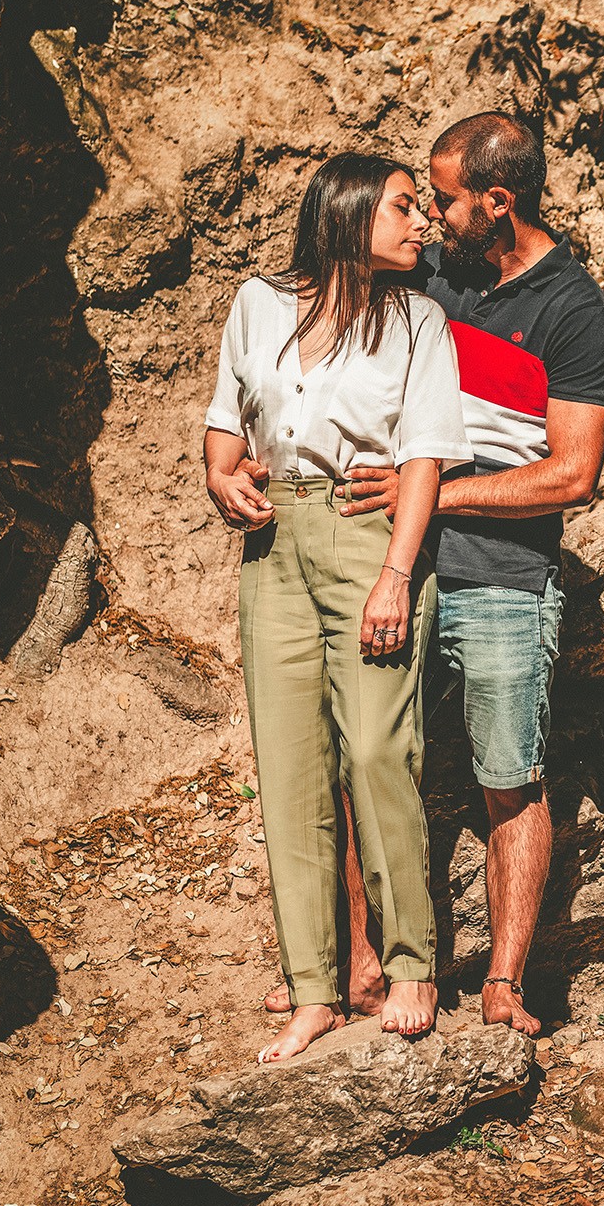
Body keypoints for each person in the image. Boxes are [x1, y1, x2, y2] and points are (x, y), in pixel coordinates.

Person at [259, 113, 604, 1035]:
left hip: (504, 574)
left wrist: (432, 491)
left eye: (445, 199)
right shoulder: (429, 272)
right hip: (392, 563)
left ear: (497, 202)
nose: (428, 215)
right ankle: (354, 964)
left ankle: (504, 982)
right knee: (364, 759)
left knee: (510, 776)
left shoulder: (573, 311)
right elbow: (328, 294)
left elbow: (572, 475)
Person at [205, 154, 473, 1062]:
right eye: (403, 206)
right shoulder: (257, 304)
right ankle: (313, 991)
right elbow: (225, 423)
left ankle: (411, 966)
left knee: (376, 750)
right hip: (273, 543)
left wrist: (398, 572)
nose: (421, 222)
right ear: (350, 213)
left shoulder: (418, 321)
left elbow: (425, 454)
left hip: (369, 536)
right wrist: (221, 476)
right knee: (290, 769)